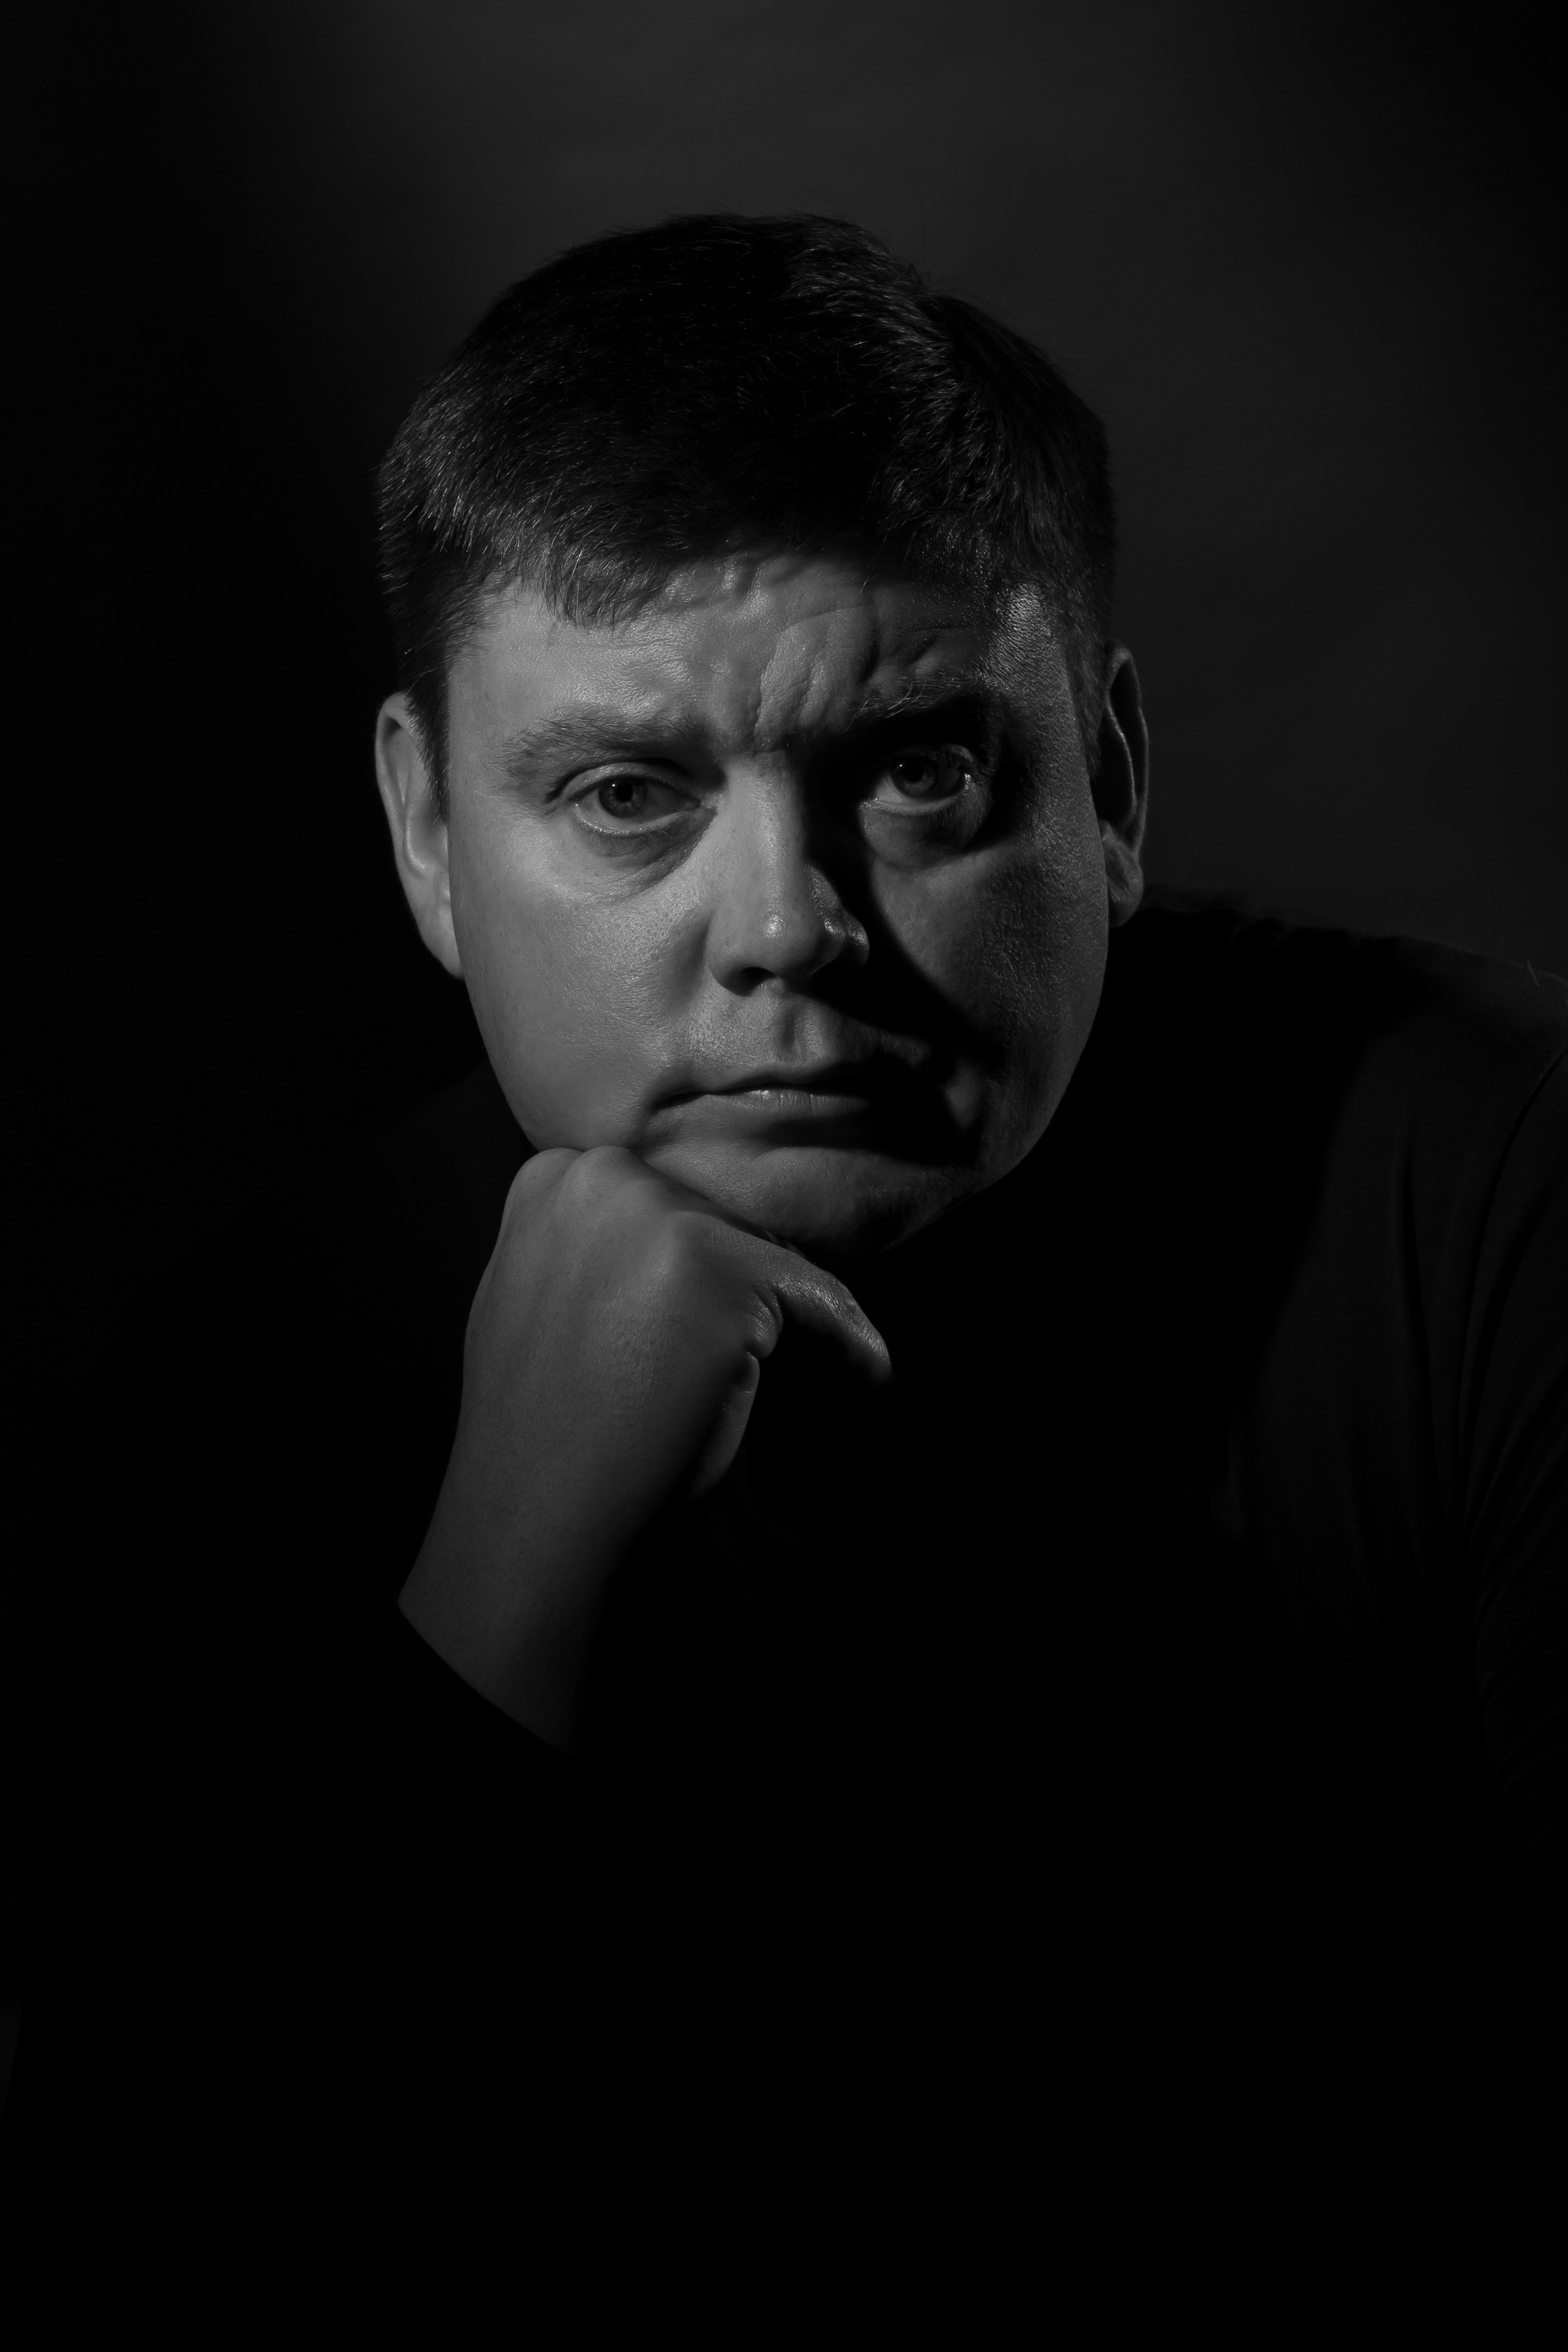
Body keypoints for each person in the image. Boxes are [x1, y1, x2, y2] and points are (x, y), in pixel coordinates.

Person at [7, 214, 1565, 2243]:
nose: (784, 929)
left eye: (916, 772)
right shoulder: (232, 1417)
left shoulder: (1498, 1176)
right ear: (428, 837)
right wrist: (501, 1586)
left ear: (1107, 786)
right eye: (626, 794)